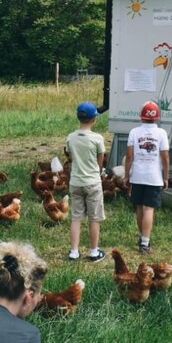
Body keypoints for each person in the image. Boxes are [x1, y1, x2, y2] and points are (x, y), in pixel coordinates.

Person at [124, 101, 170, 254]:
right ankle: (145, 243)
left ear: (141, 116)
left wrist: (127, 175)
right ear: (157, 117)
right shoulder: (161, 133)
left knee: (139, 207)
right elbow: (165, 158)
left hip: (137, 176)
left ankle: (143, 237)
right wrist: (166, 176)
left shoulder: (134, 132)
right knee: (149, 208)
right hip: (154, 177)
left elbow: (129, 156)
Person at [66, 101, 107, 262]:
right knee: (94, 217)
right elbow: (100, 160)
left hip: (75, 181)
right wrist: (98, 171)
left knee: (76, 217)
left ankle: (74, 251)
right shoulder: (97, 138)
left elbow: (70, 156)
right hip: (92, 182)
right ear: (94, 119)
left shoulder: (70, 137)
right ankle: (94, 251)